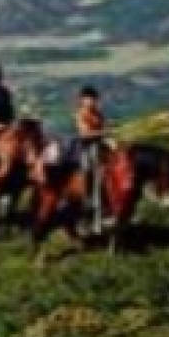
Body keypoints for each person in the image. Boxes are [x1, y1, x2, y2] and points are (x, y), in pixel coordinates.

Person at [73, 85, 108, 232]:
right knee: (87, 168)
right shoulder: (81, 114)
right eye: (89, 99)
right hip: (86, 147)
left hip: (99, 145)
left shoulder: (98, 114)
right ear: (83, 100)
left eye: (94, 99)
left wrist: (105, 135)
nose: (92, 102)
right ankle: (86, 197)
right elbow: (84, 134)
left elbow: (103, 129)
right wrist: (102, 132)